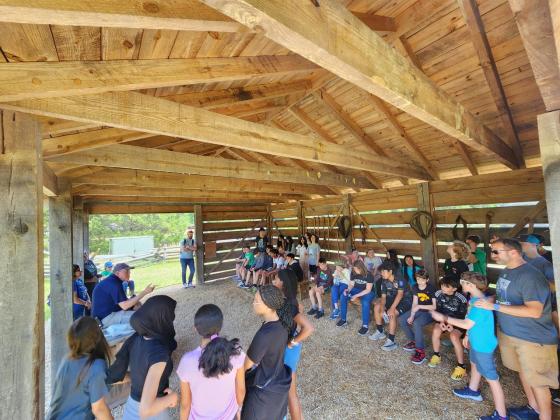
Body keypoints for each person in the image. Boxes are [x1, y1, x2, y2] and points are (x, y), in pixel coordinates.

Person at [473, 238, 558, 420]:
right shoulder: (508, 271)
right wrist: (492, 299)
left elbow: (534, 311)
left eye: (496, 251)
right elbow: (505, 295)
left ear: (513, 253)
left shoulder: (530, 276)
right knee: (523, 373)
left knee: (539, 383)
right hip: (511, 333)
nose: (492, 255)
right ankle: (533, 408)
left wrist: (494, 307)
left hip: (533, 339)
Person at [432, 272, 507, 420]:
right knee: (474, 363)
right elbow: (470, 320)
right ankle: (473, 390)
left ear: (471, 285)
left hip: (483, 346)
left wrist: (444, 318)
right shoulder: (474, 299)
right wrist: (467, 335)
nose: (461, 284)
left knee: (492, 379)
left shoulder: (480, 303)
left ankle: (501, 415)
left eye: (463, 282)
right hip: (475, 341)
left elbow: (466, 323)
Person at [107, 296, 179, 420]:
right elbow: (147, 410)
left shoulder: (136, 338)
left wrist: (137, 379)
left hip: (131, 406)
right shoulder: (159, 353)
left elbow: (116, 376)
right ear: (162, 319)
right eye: (170, 316)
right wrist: (173, 398)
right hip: (153, 413)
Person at [177, 304, 245, 420]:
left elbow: (185, 404)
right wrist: (238, 410)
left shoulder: (187, 362)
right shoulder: (235, 352)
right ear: (220, 326)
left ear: (196, 329)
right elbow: (240, 389)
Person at [47, 317, 113, 420]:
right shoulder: (96, 365)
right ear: (97, 337)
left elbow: (89, 381)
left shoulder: (67, 360)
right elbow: (99, 409)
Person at [242, 285, 292, 420]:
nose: (253, 303)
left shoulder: (265, 334)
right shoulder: (282, 324)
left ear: (269, 306)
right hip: (277, 380)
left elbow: (245, 366)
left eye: (257, 301)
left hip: (263, 389)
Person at [272, 270, 314, 420]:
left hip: (286, 349)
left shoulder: (288, 305)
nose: (273, 281)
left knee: (288, 392)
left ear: (283, 283)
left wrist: (292, 342)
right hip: (290, 348)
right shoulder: (293, 301)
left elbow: (309, 328)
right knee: (290, 392)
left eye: (276, 279)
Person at [428, 275, 468, 381]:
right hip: (443, 319)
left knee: (454, 336)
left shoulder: (461, 298)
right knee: (436, 330)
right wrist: (441, 321)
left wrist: (452, 325)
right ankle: (436, 355)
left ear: (454, 288)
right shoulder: (438, 294)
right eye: (442, 285)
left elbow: (463, 315)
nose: (442, 288)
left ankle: (461, 366)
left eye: (446, 286)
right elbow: (439, 309)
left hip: (457, 321)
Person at [92, 263, 155, 330]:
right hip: (106, 319)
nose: (129, 274)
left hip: (107, 316)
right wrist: (144, 292)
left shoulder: (113, 281)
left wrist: (134, 305)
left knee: (140, 314)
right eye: (126, 271)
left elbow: (122, 302)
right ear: (117, 273)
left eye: (129, 271)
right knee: (143, 319)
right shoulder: (113, 284)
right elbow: (125, 306)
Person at [372, 261, 412, 351]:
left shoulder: (400, 279)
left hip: (405, 301)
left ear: (390, 271)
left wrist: (392, 308)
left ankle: (391, 341)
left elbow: (400, 295)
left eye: (383, 271)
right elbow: (383, 297)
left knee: (392, 313)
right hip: (392, 299)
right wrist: (382, 308)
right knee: (377, 306)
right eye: (381, 272)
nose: (382, 274)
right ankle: (380, 331)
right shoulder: (384, 281)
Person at [399, 269, 436, 364]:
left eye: (422, 279)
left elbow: (434, 306)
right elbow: (415, 302)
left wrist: (419, 306)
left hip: (429, 312)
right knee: (402, 319)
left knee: (417, 323)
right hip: (418, 310)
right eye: (418, 279)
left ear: (427, 280)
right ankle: (414, 341)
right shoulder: (415, 286)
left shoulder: (431, 288)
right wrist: (411, 315)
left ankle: (420, 351)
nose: (420, 281)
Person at [336, 260, 376, 336]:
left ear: (361, 268)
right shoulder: (353, 272)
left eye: (356, 269)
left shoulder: (369, 275)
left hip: (368, 292)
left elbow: (368, 290)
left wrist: (356, 296)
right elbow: (351, 284)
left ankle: (365, 326)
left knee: (365, 302)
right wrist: (347, 290)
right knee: (343, 296)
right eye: (354, 269)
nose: (354, 270)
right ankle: (343, 319)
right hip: (356, 289)